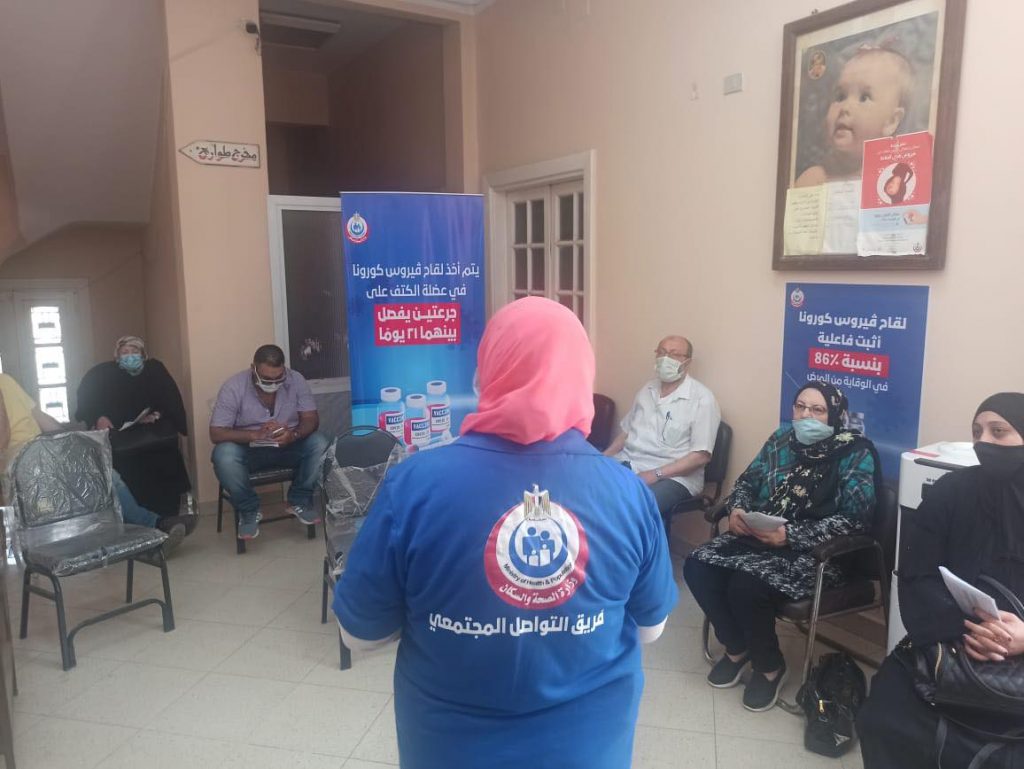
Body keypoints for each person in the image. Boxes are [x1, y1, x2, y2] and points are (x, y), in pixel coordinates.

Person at [333, 297, 677, 769]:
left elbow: (359, 633)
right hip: (585, 747)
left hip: (452, 748)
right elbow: (651, 628)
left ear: (487, 372)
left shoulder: (414, 485)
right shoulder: (627, 491)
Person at [683, 381, 878, 712]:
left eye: (817, 410)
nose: (806, 415)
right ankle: (737, 647)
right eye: (800, 407)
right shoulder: (782, 439)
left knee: (746, 586)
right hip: (760, 537)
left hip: (817, 553)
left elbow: (855, 520)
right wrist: (738, 510)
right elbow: (747, 482)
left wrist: (791, 535)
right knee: (698, 565)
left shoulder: (855, 453)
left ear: (835, 415)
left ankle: (769, 666)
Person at [858, 393, 1024, 768]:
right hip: (948, 640)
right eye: (977, 432)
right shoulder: (953, 491)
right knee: (883, 719)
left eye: (999, 432)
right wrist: (963, 626)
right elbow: (915, 574)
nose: (984, 442)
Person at [1, 373, 193, 550]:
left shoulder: (6, 381)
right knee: (85, 482)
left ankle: (152, 528)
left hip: (44, 451)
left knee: (105, 471)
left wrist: (74, 440)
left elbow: (41, 418)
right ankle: (152, 529)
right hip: (19, 462)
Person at [210, 344, 327, 541]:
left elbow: (311, 419)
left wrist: (293, 435)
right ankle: (249, 510)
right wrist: (253, 435)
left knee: (320, 442)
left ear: (284, 370)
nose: (273, 383)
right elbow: (216, 433)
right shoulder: (233, 387)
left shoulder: (296, 380)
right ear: (253, 369)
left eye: (278, 378)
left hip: (288, 446)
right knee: (223, 455)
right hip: (249, 451)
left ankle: (299, 500)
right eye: (266, 379)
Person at [604, 335, 720, 528]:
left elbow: (700, 456)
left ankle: (639, 549)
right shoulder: (647, 389)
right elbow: (626, 432)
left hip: (674, 476)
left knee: (632, 508)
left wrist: (655, 474)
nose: (666, 359)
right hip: (632, 463)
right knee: (589, 490)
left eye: (674, 354)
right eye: (662, 352)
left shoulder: (702, 399)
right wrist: (602, 458)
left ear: (687, 362)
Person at [76, 335, 191, 517]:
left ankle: (167, 516)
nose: (130, 356)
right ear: (117, 357)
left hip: (152, 432)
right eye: (125, 352)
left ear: (143, 354)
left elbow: (169, 400)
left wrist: (156, 414)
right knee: (126, 467)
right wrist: (99, 417)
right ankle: (138, 518)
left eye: (135, 351)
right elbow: (90, 404)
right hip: (122, 436)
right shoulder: (105, 375)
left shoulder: (154, 371)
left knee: (165, 458)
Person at [795, 46, 912, 187]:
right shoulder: (815, 179)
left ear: (891, 122)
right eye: (840, 97)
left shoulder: (893, 179)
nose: (845, 107)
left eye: (864, 98)